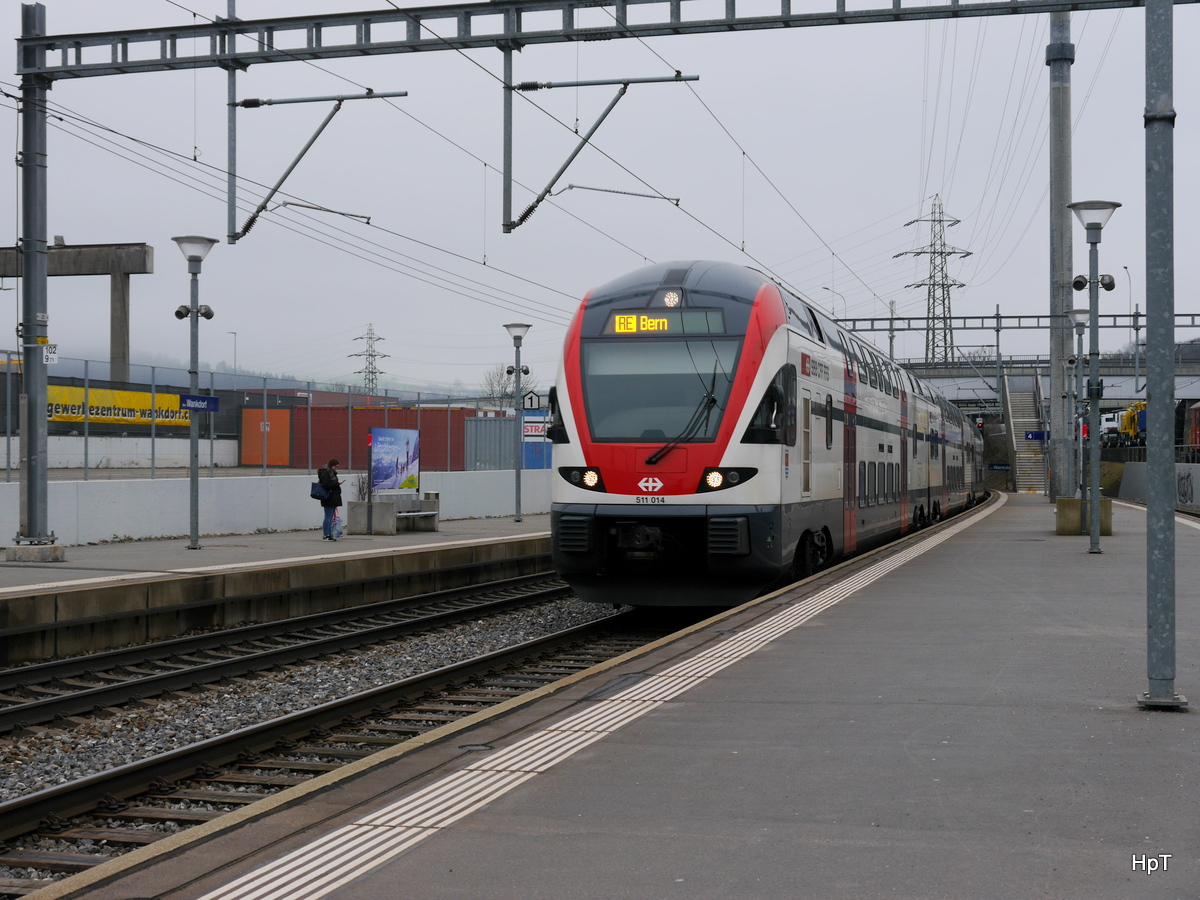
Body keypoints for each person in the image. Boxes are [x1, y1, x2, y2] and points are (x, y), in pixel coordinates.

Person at [317, 458, 344, 541]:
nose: (336, 468)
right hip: (328, 497)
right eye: (335, 466)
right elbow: (326, 485)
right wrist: (337, 483)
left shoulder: (331, 472)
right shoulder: (325, 473)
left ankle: (329, 534)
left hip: (332, 496)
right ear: (331, 466)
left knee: (330, 516)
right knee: (328, 516)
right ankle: (326, 535)